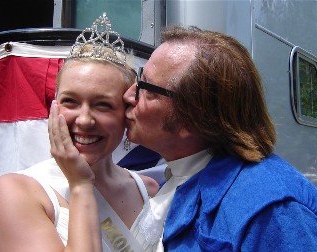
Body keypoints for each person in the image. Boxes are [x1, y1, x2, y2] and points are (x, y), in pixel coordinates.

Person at [121, 26, 317, 251]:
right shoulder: (180, 175)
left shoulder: (270, 210)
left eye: (145, 88)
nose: (128, 95)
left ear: (191, 117)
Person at [0, 14, 159, 252]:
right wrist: (80, 186)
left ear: (125, 113)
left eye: (103, 105)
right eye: (71, 102)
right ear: (54, 107)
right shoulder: (16, 193)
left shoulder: (149, 190)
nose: (85, 120)